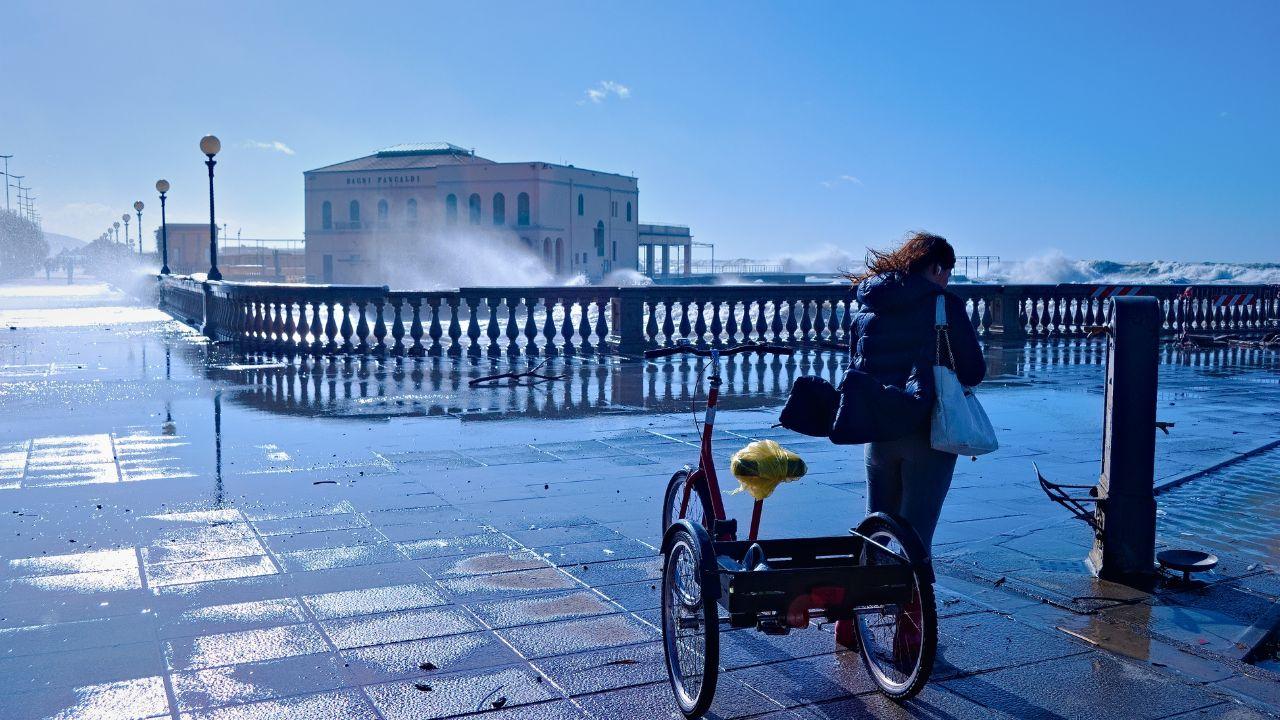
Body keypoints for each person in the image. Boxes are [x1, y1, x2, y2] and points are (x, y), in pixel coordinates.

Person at [846, 231, 986, 554]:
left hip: (878, 433)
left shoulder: (869, 304)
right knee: (916, 542)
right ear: (937, 268)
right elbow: (974, 371)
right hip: (926, 434)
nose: (948, 281)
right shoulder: (944, 305)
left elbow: (857, 363)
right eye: (947, 272)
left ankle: (868, 597)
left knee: (875, 532)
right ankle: (910, 605)